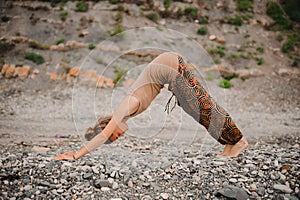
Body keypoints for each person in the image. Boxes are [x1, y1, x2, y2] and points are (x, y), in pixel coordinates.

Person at [52, 52, 248, 160]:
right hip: (168, 74)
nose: (120, 136)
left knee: (205, 106)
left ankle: (239, 141)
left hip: (170, 66)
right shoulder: (126, 113)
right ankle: (228, 143)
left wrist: (77, 154)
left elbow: (102, 135)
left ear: (108, 128)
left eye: (114, 135)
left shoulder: (125, 107)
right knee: (197, 112)